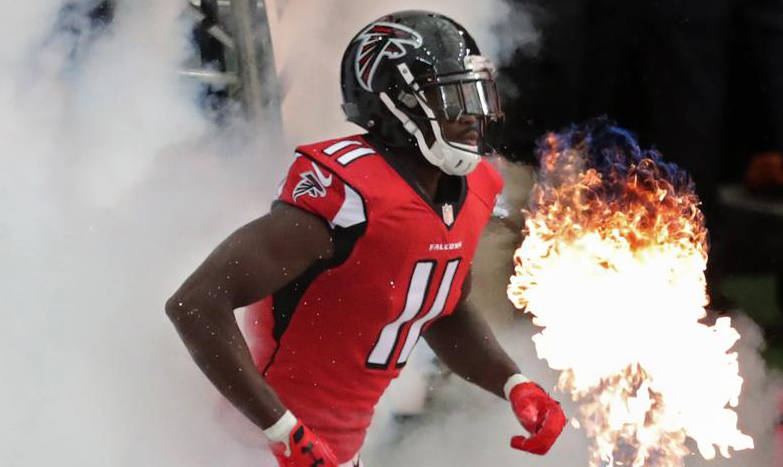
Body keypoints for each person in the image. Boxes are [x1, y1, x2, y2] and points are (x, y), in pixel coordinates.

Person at [166, 10, 566, 467]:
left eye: (475, 95)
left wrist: (513, 384)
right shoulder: (350, 195)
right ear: (398, 104)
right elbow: (196, 303)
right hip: (249, 450)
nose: (472, 115)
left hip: (331, 454)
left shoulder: (472, 189)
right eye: (452, 98)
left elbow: (442, 306)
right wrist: (283, 431)